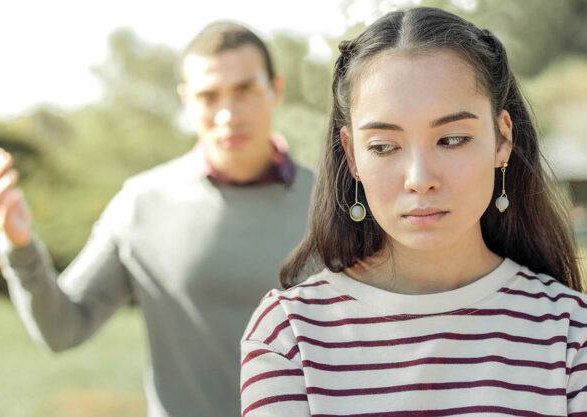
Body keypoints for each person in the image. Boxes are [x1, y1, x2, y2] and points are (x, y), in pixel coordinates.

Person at [240, 7, 587, 416]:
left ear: (502, 140)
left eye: (452, 139)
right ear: (351, 155)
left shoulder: (570, 333)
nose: (420, 179)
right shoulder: (289, 337)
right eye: (384, 146)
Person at [0, 22, 314, 417]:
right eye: (208, 96)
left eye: (245, 90)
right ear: (186, 101)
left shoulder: (331, 202)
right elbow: (62, 330)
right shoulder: (142, 204)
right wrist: (19, 246)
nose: (227, 114)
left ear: (275, 89)